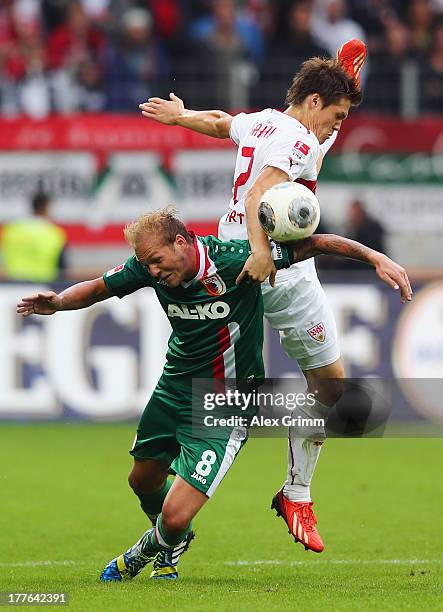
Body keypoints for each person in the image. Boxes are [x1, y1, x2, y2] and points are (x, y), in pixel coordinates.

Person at [17, 208, 410, 580]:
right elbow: (100, 287)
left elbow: (314, 242)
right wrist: (59, 302)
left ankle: (148, 549)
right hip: (175, 387)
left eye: (158, 260)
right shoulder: (148, 266)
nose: (153, 271)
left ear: (182, 241)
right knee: (142, 480)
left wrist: (376, 257)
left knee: (173, 517)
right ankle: (174, 540)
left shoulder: (237, 259)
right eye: (147, 265)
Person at [138, 42, 381, 554]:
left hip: (227, 261)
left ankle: (167, 466)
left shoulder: (265, 121)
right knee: (331, 389)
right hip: (276, 268)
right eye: (335, 116)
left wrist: (182, 118)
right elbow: (257, 197)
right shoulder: (298, 143)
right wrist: (262, 250)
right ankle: (296, 492)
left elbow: (224, 123)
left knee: (218, 382)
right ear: (314, 102)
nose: (334, 128)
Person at [1, 192, 67, 282]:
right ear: (46, 207)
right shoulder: (54, 233)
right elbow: (62, 266)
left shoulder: (12, 229)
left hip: (13, 284)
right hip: (43, 285)